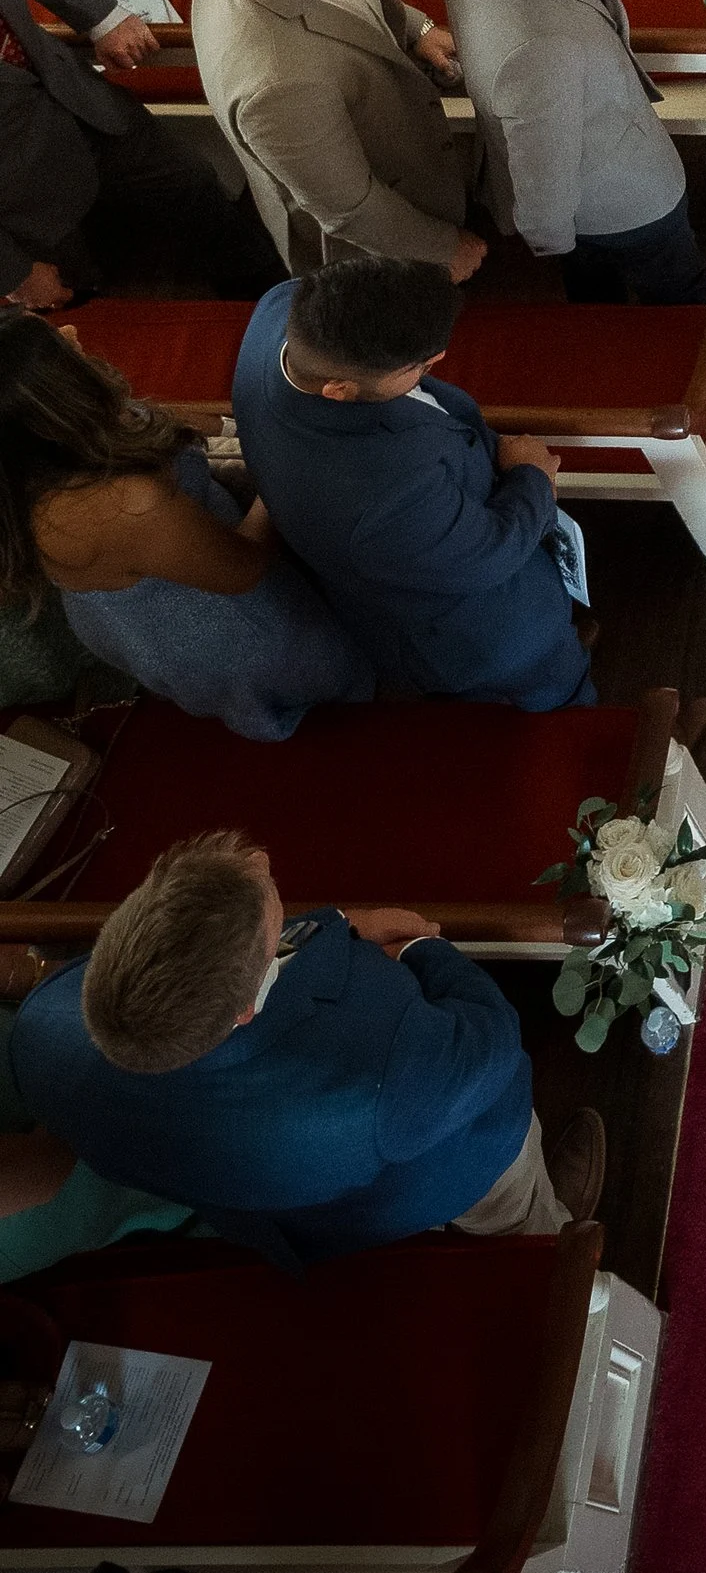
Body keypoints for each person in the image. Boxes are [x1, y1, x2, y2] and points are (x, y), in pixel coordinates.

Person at [11, 823, 602, 1265]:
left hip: (295, 1210)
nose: (262, 858)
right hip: (437, 1168)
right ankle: (545, 1234)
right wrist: (423, 951)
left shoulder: (43, 1032)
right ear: (244, 1011)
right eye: (269, 900)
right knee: (509, 1189)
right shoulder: (374, 1063)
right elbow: (489, 1041)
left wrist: (337, 927)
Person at [236, 250, 592, 710]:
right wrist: (531, 477)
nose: (433, 365)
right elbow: (487, 555)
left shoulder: (281, 308)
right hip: (480, 629)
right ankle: (580, 708)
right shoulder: (379, 497)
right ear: (338, 390)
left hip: (415, 553)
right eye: (419, 367)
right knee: (551, 685)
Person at [0, 310, 372, 739]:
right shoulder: (117, 507)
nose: (71, 329)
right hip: (215, 617)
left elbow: (156, 424)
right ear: (51, 400)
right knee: (323, 666)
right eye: (56, 343)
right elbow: (244, 570)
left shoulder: (42, 450)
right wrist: (284, 466)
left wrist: (239, 426)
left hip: (152, 567)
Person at [442, 0, 706, 301]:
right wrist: (553, 242)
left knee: (593, 286)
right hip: (621, 197)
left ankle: (596, 307)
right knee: (676, 288)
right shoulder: (538, 48)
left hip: (584, 178)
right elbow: (542, 177)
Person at [191, 0, 481, 280]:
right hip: (378, 244)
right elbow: (351, 207)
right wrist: (443, 249)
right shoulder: (276, 87)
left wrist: (414, 29)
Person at [0, 0, 265, 313]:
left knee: (191, 184)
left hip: (79, 100)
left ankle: (263, 291)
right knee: (76, 295)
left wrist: (103, 17)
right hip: (20, 196)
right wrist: (13, 272)